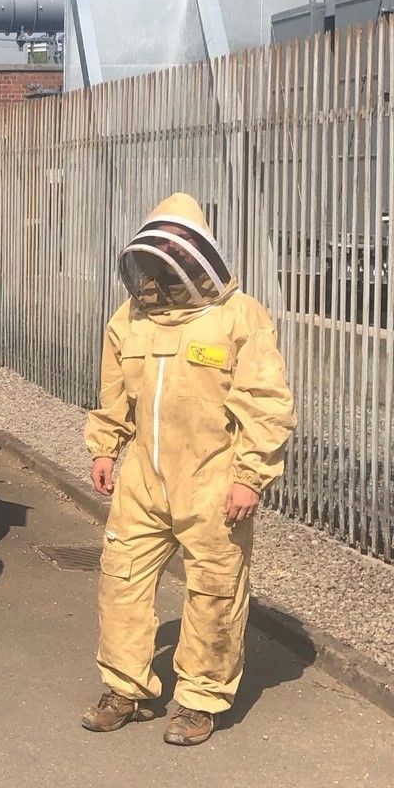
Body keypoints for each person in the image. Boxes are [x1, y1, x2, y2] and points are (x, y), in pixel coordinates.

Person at [81, 193, 295, 746]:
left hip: (213, 479)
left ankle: (199, 700)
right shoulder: (130, 316)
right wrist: (105, 447)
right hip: (143, 478)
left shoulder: (238, 315)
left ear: (198, 250)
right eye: (161, 245)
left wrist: (250, 476)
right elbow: (112, 395)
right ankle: (125, 688)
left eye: (178, 245)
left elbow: (266, 403)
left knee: (214, 588)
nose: (167, 255)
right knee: (121, 577)